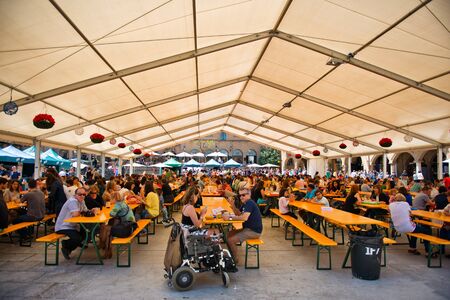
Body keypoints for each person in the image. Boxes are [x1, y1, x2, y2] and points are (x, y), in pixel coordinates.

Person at [224, 187, 263, 264]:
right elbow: (238, 214)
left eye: (243, 195)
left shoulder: (250, 203)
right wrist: (233, 205)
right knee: (228, 234)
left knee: (230, 240)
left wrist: (229, 218)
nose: (241, 197)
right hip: (247, 229)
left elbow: (244, 218)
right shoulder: (245, 203)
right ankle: (231, 255)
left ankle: (234, 261)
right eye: (240, 195)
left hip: (254, 231)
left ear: (249, 194)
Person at [55, 188, 94, 260]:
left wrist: (92, 210)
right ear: (75, 195)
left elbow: (86, 211)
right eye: (80, 194)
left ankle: (69, 247)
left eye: (84, 194)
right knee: (78, 239)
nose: (82, 196)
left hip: (73, 226)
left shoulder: (81, 201)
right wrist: (84, 212)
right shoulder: (72, 201)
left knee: (87, 232)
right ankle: (66, 245)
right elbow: (76, 214)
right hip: (63, 226)